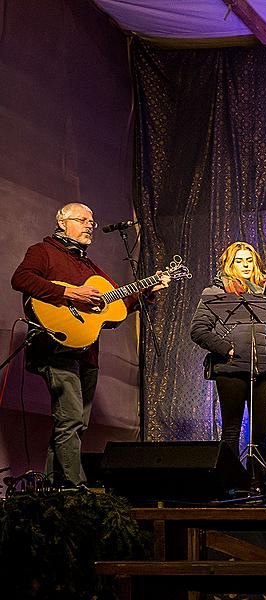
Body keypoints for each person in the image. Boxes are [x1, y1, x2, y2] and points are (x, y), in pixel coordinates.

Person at [11, 203, 170, 488]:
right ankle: (75, 488)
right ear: (62, 222)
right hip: (55, 348)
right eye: (83, 220)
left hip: (87, 353)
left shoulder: (89, 265)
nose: (90, 226)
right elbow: (21, 279)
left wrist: (146, 292)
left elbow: (116, 307)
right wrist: (69, 293)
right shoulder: (43, 251)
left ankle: (53, 487)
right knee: (70, 420)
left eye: (92, 222)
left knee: (74, 423)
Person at [190, 241, 266, 491]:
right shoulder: (216, 291)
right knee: (231, 428)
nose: (246, 265)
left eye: (249, 260)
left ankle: (256, 481)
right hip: (230, 369)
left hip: (264, 369)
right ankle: (229, 482)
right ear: (229, 264)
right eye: (239, 260)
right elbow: (198, 329)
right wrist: (227, 348)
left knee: (261, 430)